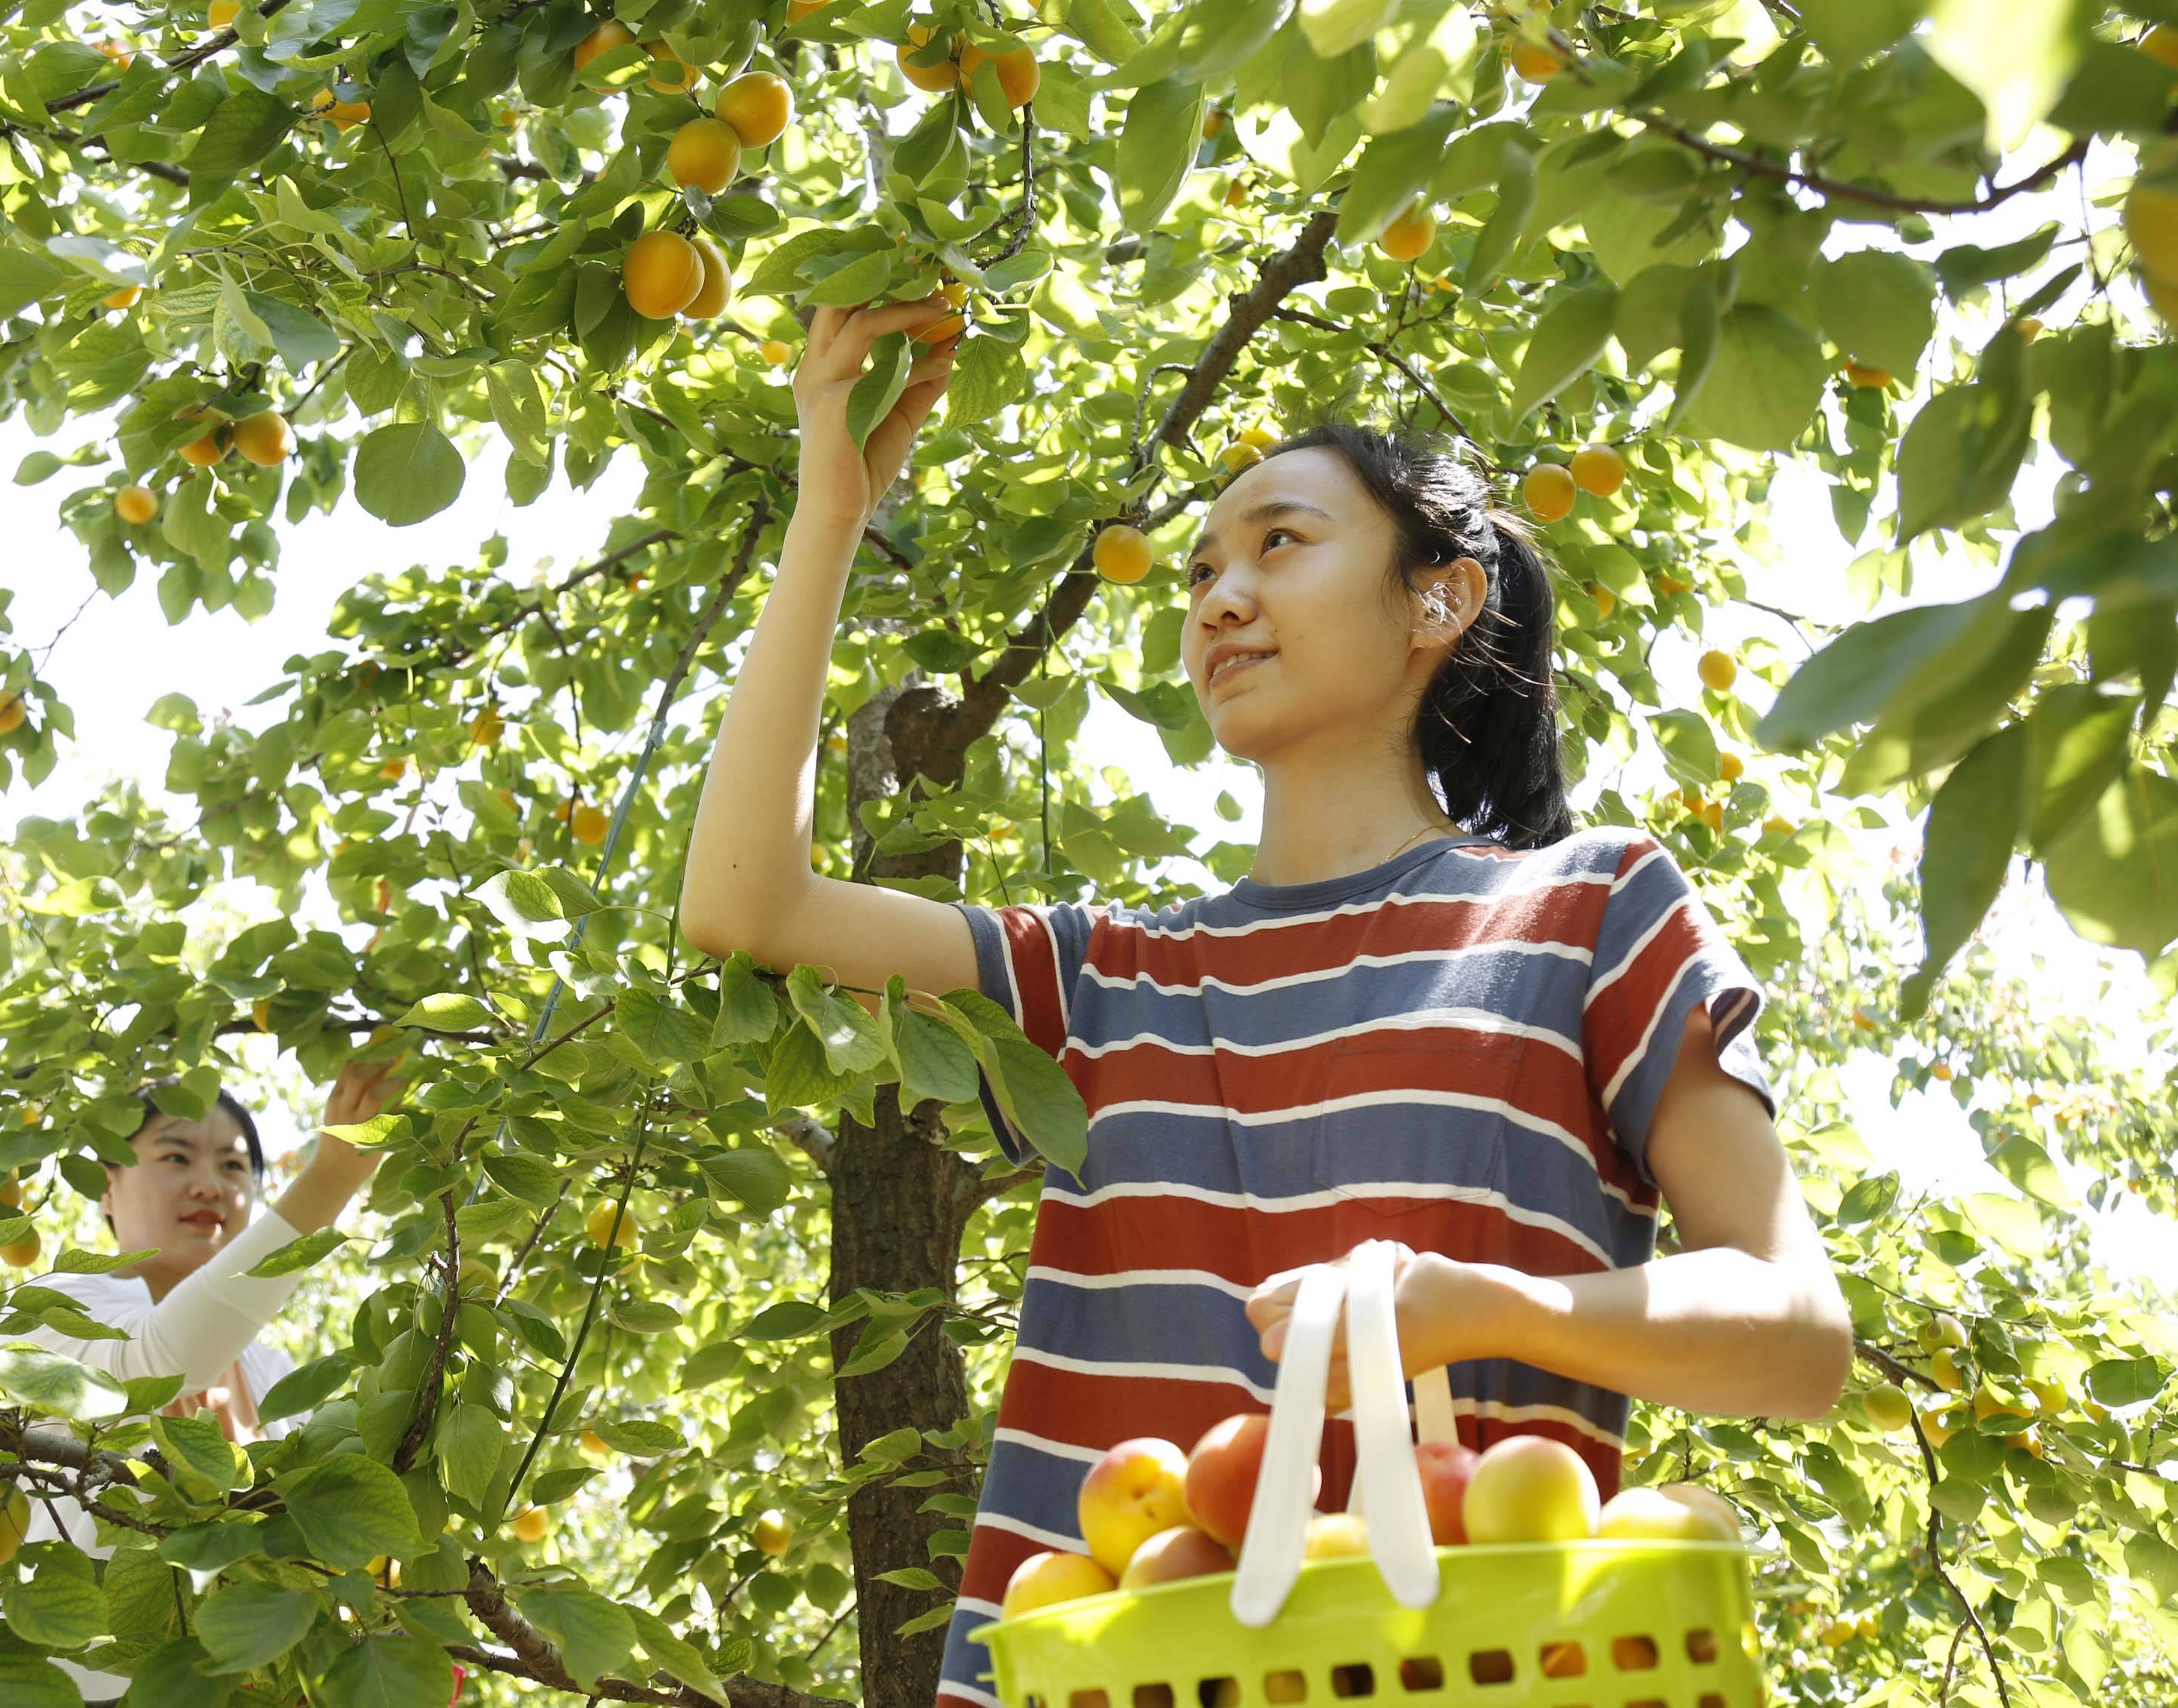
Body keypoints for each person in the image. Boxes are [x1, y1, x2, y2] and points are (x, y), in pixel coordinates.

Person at [676, 295, 1856, 1708]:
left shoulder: (1590, 908)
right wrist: (832, 510)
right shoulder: (1106, 976)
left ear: (1438, 596)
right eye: (1199, 571)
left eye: (1280, 542)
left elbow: (1795, 1335)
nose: (1218, 598)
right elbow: (746, 907)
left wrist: (1489, 1305)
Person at [0, 1057, 403, 1704]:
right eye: (177, 1158)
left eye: (235, 1167)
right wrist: (330, 1181)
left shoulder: (273, 1375)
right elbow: (159, 1363)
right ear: (108, 1186)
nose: (211, 1186)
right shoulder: (55, 1305)